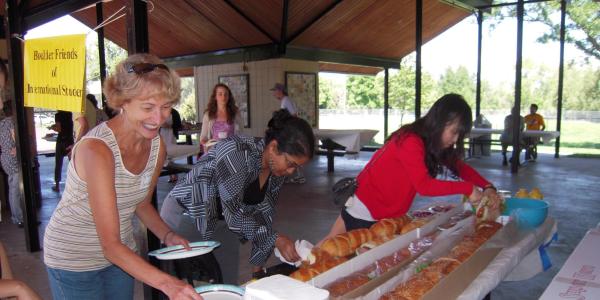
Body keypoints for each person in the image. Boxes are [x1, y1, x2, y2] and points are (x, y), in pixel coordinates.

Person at [43, 54, 201, 300]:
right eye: (147, 107)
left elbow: (141, 203)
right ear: (123, 102)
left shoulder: (156, 145)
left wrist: (167, 234)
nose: (158, 119)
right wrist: (168, 284)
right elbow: (109, 246)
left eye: (166, 106)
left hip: (121, 254)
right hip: (73, 258)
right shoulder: (97, 150)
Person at [160, 109, 315, 283]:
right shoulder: (235, 152)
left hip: (221, 222)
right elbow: (234, 216)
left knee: (224, 287)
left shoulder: (275, 170)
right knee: (185, 288)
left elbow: (263, 218)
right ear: (273, 147)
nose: (290, 171)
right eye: (290, 163)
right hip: (187, 217)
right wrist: (275, 239)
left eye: (296, 167)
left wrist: (258, 274)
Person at [320, 94, 501, 240]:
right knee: (332, 255)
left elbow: (459, 167)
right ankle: (298, 276)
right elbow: (424, 186)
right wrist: (468, 188)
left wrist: (487, 186)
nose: (455, 140)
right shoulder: (411, 140)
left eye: (459, 136)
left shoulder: (431, 142)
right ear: (440, 121)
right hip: (367, 208)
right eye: (454, 132)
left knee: (330, 250)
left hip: (382, 210)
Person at [270, 83, 305, 184]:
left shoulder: (286, 100)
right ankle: (297, 175)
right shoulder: (285, 100)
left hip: (291, 131)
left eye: (275, 91)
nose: (274, 94)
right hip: (290, 130)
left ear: (280, 91)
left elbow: (294, 115)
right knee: (289, 152)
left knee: (289, 152)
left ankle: (295, 175)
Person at [199, 83, 241, 154]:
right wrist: (207, 144)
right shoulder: (208, 115)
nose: (223, 97)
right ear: (215, 96)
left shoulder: (235, 113)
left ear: (229, 97)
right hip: (214, 152)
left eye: (226, 94)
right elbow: (203, 138)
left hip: (232, 151)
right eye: (220, 94)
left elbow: (241, 135)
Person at [0, 104, 22, 227]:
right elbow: (15, 138)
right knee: (16, 191)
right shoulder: (12, 123)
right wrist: (16, 147)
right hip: (13, 158)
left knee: (12, 189)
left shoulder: (1, 124)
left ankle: (16, 216)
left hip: (5, 158)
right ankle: (18, 218)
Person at [50, 110, 74, 192]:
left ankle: (57, 185)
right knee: (73, 163)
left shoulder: (58, 115)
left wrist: (52, 127)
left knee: (58, 163)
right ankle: (75, 182)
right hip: (70, 140)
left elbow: (59, 129)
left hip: (61, 141)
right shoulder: (70, 113)